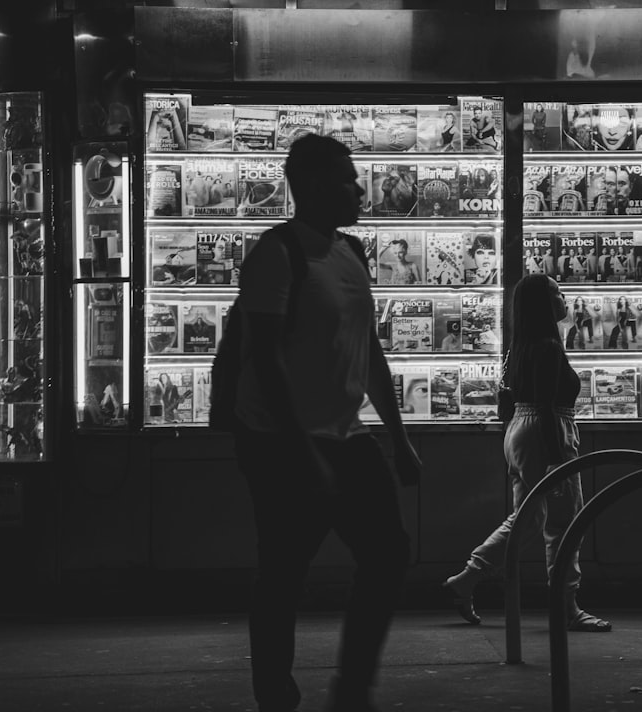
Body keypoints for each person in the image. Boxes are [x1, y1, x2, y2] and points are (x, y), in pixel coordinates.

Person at [234, 134, 421, 712]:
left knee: (388, 553)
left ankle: (352, 688)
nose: (358, 187)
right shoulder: (277, 252)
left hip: (345, 435)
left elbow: (369, 353)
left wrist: (399, 438)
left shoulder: (351, 252)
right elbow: (263, 359)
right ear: (312, 186)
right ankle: (275, 695)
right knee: (284, 572)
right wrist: (300, 451)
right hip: (281, 441)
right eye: (346, 178)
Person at [442, 274, 611, 633]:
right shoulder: (548, 346)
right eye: (556, 292)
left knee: (529, 517)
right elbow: (551, 406)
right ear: (544, 304)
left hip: (520, 430)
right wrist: (554, 460)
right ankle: (567, 607)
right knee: (565, 524)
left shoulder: (521, 346)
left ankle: (470, 577)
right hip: (546, 433)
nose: (564, 297)